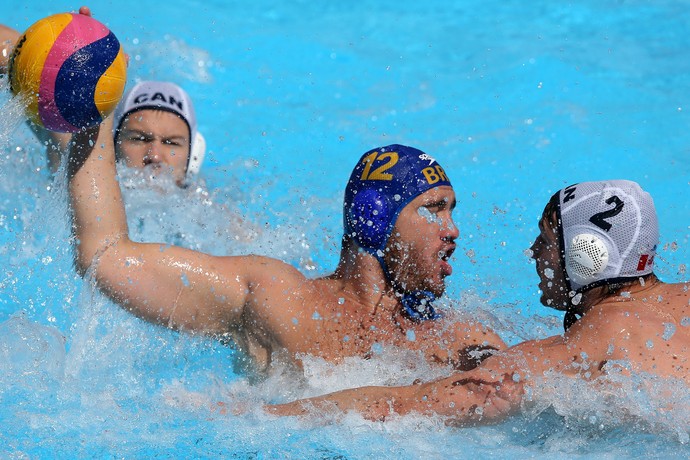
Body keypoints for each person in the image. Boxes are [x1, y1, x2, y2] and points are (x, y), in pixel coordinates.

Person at [67, 107, 505, 374]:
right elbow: (105, 256)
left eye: (450, 211)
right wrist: (95, 116)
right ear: (374, 218)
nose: (453, 230)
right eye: (433, 209)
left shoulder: (463, 339)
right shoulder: (277, 300)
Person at [267, 180, 690, 423]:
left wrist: (271, 415)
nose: (533, 253)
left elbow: (412, 405)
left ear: (585, 254)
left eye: (544, 241)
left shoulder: (586, 346)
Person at [1, 22, 204, 184]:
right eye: (139, 139)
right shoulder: (78, 166)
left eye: (171, 143)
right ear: (113, 144)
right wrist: (61, 44)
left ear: (193, 155)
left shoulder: (213, 218)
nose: (154, 157)